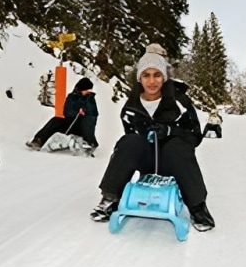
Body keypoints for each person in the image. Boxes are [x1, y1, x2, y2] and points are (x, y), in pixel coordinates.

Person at [90, 44, 215, 231]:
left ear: (164, 77)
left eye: (157, 75)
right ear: (139, 78)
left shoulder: (179, 102)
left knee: (177, 148)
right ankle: (110, 198)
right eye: (146, 75)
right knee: (128, 142)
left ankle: (198, 206)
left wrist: (170, 131)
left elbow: (195, 136)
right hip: (147, 160)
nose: (152, 81)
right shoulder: (130, 107)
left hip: (173, 160)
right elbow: (131, 142)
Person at [26, 77, 99, 150]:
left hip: (83, 128)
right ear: (81, 89)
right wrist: (77, 113)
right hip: (70, 124)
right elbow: (66, 112)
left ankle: (90, 142)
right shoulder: (71, 97)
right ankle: (38, 140)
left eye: (90, 89)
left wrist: (85, 109)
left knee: (87, 119)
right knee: (55, 120)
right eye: (87, 89)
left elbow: (93, 114)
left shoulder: (90, 98)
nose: (89, 91)